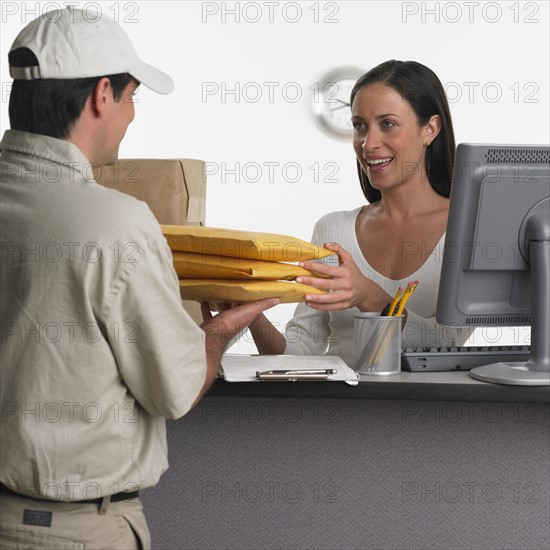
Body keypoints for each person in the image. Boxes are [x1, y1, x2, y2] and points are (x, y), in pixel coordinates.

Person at [0, 8, 276, 549]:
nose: (131, 116)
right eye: (131, 98)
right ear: (103, 95)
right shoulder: (114, 223)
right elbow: (173, 390)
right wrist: (215, 336)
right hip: (72, 533)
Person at [247, 60, 470, 367]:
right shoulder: (333, 230)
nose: (368, 143)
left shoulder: (468, 229)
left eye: (387, 124)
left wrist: (372, 297)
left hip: (431, 410)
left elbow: (448, 344)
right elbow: (300, 352)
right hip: (340, 411)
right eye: (359, 125)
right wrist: (248, 311)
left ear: (430, 129)